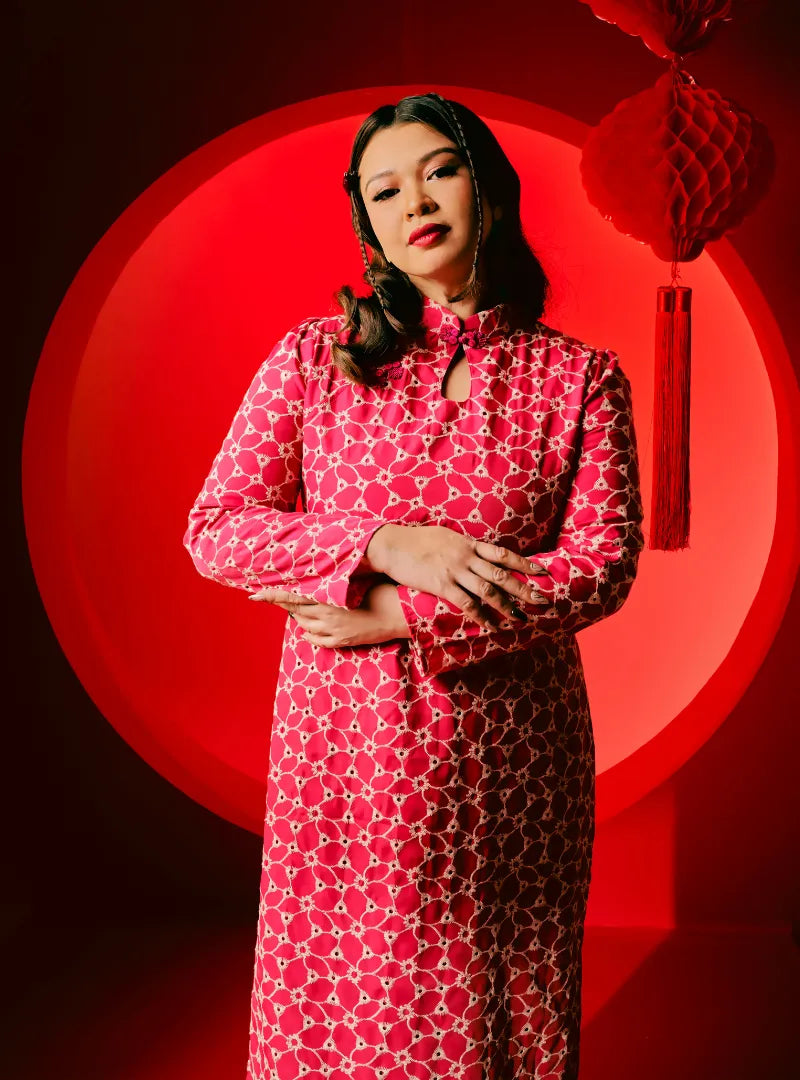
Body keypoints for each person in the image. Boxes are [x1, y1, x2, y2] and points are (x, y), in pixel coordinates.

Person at [183, 91, 644, 1080]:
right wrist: (389, 543)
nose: (413, 202)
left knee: (496, 1018)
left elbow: (597, 567)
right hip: (344, 768)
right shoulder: (315, 361)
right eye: (383, 189)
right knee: (341, 1022)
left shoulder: (578, 381)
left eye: (437, 170)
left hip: (510, 769)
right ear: (367, 222)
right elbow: (218, 532)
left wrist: (400, 614)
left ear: (487, 187)